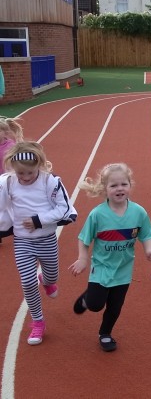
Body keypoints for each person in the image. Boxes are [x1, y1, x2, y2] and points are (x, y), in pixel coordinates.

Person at [69, 163, 151, 352]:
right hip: (101, 267)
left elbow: (147, 233)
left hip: (124, 269)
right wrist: (83, 258)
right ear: (105, 189)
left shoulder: (138, 212)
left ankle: (105, 333)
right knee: (95, 305)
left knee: (115, 307)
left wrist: (149, 250)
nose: (119, 189)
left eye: (124, 184)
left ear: (130, 185)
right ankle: (86, 300)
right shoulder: (98, 214)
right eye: (114, 185)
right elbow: (84, 239)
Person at [0, 141, 77, 346]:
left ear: (40, 165)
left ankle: (48, 280)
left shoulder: (49, 182)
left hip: (47, 239)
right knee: (27, 281)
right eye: (20, 174)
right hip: (22, 241)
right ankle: (38, 321)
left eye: (29, 173)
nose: (25, 178)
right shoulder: (7, 182)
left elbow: (64, 208)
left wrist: (38, 220)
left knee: (52, 276)